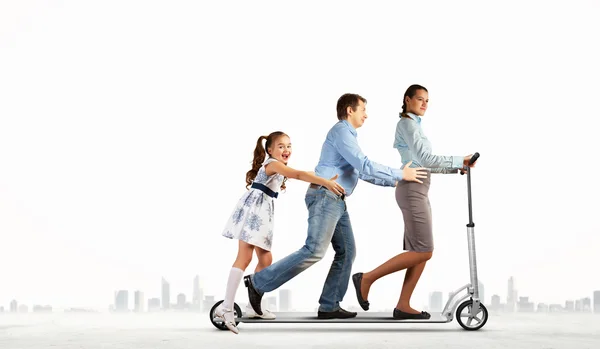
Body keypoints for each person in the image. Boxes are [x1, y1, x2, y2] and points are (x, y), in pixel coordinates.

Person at [243, 93, 428, 320]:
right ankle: (257, 283)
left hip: (336, 199)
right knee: (314, 250)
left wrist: (397, 180)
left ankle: (329, 305)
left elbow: (360, 171)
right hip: (324, 196)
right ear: (350, 110)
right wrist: (400, 173)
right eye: (363, 110)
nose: (366, 115)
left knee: (347, 251)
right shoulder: (341, 132)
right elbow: (364, 164)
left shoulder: (348, 136)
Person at [351, 84, 477, 320]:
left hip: (418, 187)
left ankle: (403, 305)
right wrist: (461, 158)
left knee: (419, 250)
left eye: (427, 100)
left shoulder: (415, 125)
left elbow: (423, 164)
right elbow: (425, 159)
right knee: (425, 250)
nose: (424, 104)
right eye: (419, 99)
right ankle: (366, 278)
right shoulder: (407, 124)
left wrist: (456, 168)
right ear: (407, 100)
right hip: (412, 190)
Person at [214, 131, 345, 334]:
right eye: (281, 146)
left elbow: (297, 175)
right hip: (254, 210)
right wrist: (324, 181)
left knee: (265, 260)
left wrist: (321, 179)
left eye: (289, 146)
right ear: (270, 150)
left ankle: (252, 307)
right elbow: (299, 174)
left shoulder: (277, 166)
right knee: (244, 257)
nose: (286, 150)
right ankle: (226, 308)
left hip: (262, 211)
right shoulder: (273, 164)